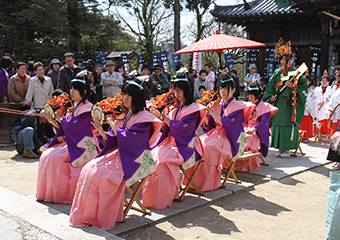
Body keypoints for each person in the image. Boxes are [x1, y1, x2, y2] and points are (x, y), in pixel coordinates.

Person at [69, 79, 162, 230]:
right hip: (121, 154)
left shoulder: (145, 118)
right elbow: (114, 138)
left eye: (128, 95)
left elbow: (132, 142)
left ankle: (104, 215)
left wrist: (113, 125)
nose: (123, 98)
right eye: (123, 94)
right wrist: (100, 129)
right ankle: (91, 214)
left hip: (134, 158)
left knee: (103, 176)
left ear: (136, 98)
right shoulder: (129, 114)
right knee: (89, 168)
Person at [143, 72, 207, 210]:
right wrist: (159, 117)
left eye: (178, 90)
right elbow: (169, 128)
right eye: (174, 90)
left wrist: (164, 118)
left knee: (162, 161)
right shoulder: (178, 107)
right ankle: (155, 196)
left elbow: (183, 131)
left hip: (188, 146)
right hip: (173, 143)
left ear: (187, 91)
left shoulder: (194, 110)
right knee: (152, 155)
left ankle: (165, 196)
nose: (175, 93)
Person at [185, 74, 255, 192]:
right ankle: (192, 182)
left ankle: (208, 183)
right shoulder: (218, 104)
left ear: (233, 90)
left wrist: (212, 112)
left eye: (226, 88)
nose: (222, 91)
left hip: (230, 139)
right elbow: (210, 124)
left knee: (209, 149)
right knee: (197, 144)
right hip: (215, 134)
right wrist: (205, 115)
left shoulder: (238, 107)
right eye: (221, 88)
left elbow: (227, 124)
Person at [36, 74, 98, 204]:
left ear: (84, 91)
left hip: (83, 143)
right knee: (47, 155)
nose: (71, 91)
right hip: (72, 141)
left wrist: (61, 120)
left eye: (74, 89)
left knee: (56, 158)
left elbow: (77, 128)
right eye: (71, 89)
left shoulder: (87, 109)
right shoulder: (74, 108)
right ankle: (51, 193)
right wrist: (53, 122)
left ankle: (61, 195)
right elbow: (65, 128)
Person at [262, 38, 307, 158]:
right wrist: (270, 97)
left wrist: (294, 87)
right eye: (281, 59)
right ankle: (280, 147)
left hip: (290, 104)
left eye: (285, 59)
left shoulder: (296, 73)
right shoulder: (277, 73)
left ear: (291, 60)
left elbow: (303, 89)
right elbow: (270, 87)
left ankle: (287, 148)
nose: (283, 61)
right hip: (278, 102)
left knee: (287, 123)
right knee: (278, 123)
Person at [240, 82, 278, 171]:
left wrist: (254, 129)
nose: (250, 97)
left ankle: (245, 165)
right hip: (247, 127)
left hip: (256, 131)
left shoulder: (264, 107)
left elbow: (264, 122)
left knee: (245, 138)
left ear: (258, 95)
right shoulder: (249, 105)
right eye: (249, 95)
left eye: (252, 95)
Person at [299, 75, 321, 142]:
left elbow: (315, 99)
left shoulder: (312, 90)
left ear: (310, 82)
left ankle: (306, 137)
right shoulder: (300, 89)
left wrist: (309, 102)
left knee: (307, 123)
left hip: (308, 109)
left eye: (306, 81)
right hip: (301, 108)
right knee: (301, 122)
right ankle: (300, 136)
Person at [315, 70, 333, 139]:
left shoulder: (330, 89)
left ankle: (326, 134)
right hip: (320, 106)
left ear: (328, 82)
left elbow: (332, 97)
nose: (324, 82)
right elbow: (315, 97)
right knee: (319, 120)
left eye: (326, 81)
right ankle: (318, 133)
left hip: (326, 106)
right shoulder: (317, 89)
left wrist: (326, 99)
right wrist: (319, 102)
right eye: (323, 81)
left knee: (326, 120)